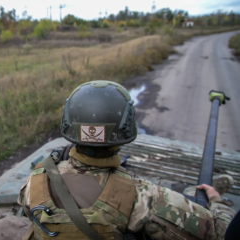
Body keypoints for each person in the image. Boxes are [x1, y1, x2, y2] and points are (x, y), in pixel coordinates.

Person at [17, 80, 236, 240]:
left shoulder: (33, 184)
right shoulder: (144, 197)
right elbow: (222, 230)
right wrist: (217, 201)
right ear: (126, 128)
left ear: (68, 125)